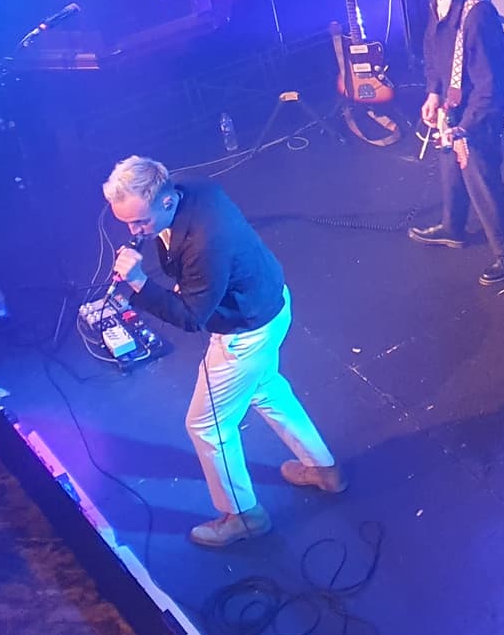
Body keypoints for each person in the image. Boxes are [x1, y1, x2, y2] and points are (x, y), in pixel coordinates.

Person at [104, 156, 343, 549]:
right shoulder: (194, 190)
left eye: (140, 222)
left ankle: (243, 516)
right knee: (267, 389)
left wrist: (139, 283)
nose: (134, 233)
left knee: (207, 426)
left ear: (166, 201)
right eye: (127, 223)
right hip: (272, 304)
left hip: (244, 334)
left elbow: (190, 317)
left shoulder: (205, 242)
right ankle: (324, 469)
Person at [406, 0, 504, 286]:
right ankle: (453, 227)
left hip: (479, 112)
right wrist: (433, 93)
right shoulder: (438, 0)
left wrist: (468, 125)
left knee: (482, 179)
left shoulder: (477, 14)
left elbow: (492, 83)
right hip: (452, 105)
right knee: (450, 167)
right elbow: (433, 50)